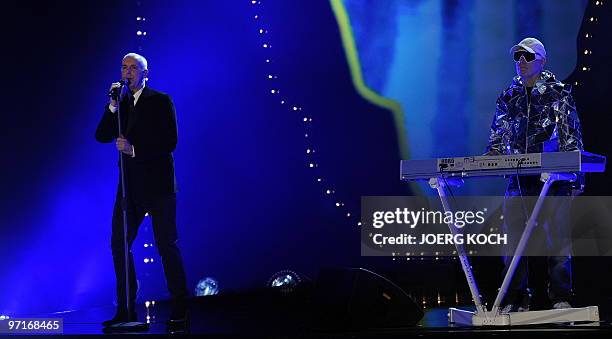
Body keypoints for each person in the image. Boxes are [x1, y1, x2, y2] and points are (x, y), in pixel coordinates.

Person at [484, 38, 584, 313]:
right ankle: (516, 298)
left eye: (527, 56)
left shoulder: (559, 93)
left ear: (541, 60)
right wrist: (492, 156)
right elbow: (497, 135)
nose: (521, 61)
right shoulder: (508, 96)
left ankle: (561, 297)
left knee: (559, 241)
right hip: (518, 179)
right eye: (517, 56)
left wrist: (576, 177)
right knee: (513, 241)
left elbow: (571, 136)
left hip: (554, 179)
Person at [95, 53, 189, 326]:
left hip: (158, 186)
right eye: (124, 67)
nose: (128, 72)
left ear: (146, 73)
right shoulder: (121, 105)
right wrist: (112, 106)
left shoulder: (160, 100)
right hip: (130, 188)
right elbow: (101, 135)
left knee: (166, 245)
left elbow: (169, 141)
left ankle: (180, 308)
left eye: (133, 68)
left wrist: (134, 149)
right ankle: (126, 308)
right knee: (118, 243)